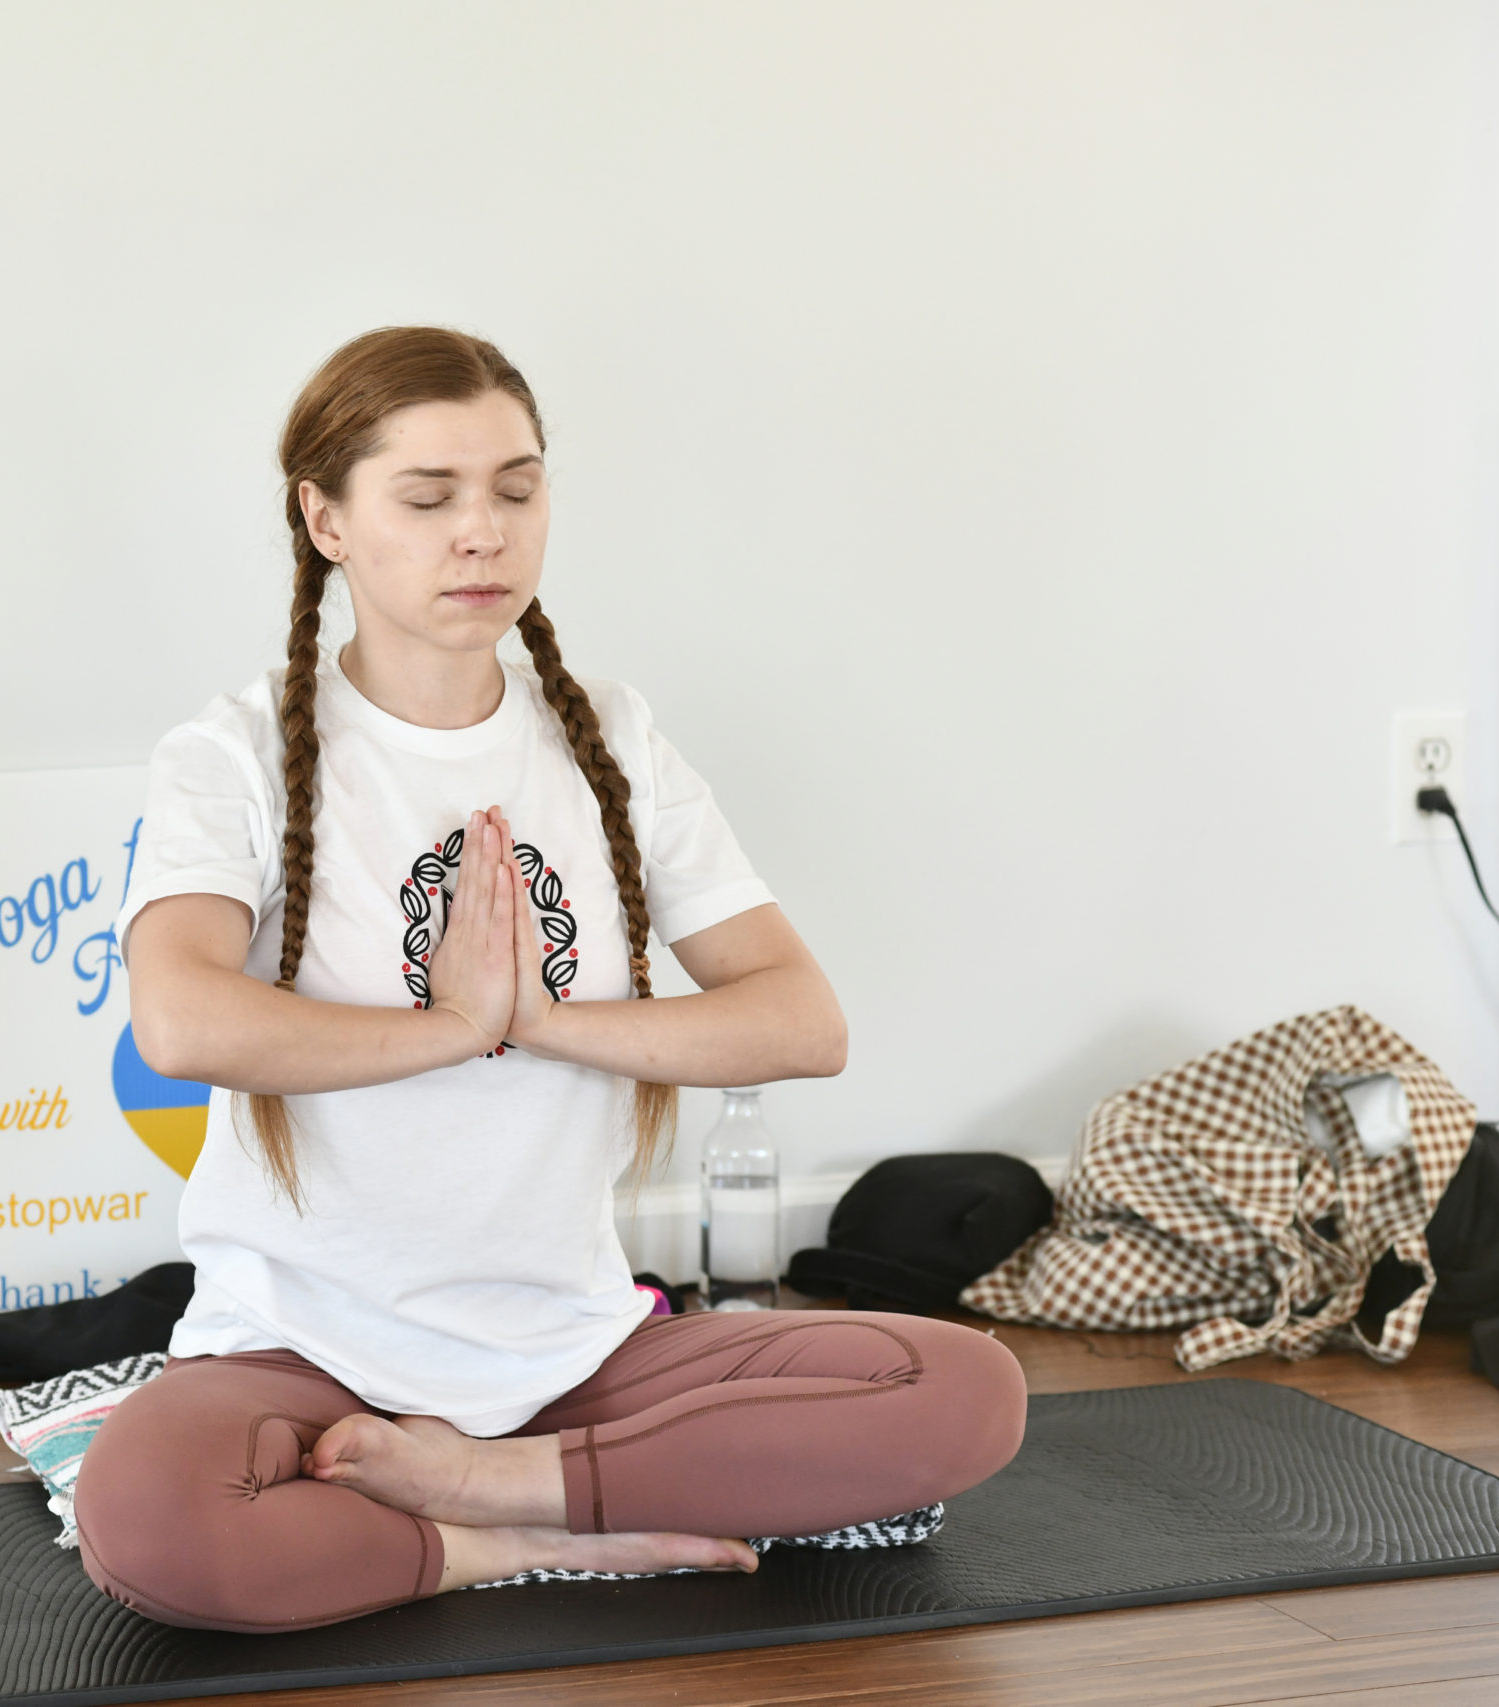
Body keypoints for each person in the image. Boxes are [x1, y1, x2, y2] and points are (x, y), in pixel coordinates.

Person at [72, 327, 1025, 1632]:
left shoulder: (610, 737)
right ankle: (503, 1542)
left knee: (965, 1392)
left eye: (517, 490)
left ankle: (489, 1483)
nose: (485, 534)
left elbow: (801, 1020)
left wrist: (544, 1020)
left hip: (571, 1355)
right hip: (300, 1354)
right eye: (429, 496)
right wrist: (459, 1025)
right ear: (325, 518)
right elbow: (180, 1020)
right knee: (151, 1529)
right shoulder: (228, 756)